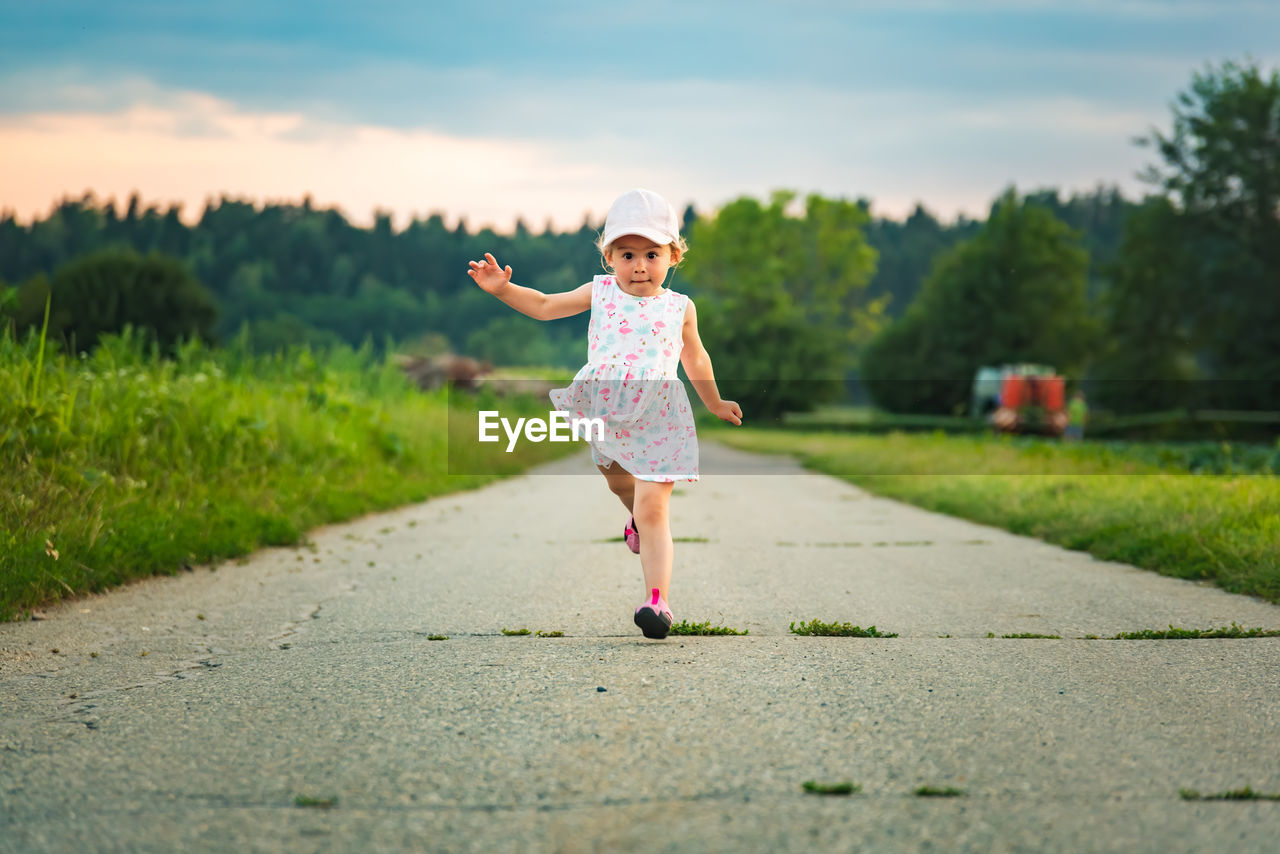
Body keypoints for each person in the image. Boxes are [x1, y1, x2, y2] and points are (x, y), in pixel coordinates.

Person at [467, 188, 742, 640]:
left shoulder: (680, 308)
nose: (639, 265)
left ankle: (658, 601)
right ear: (608, 257)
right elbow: (543, 305)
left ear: (673, 256)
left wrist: (713, 401)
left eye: (652, 254)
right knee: (620, 484)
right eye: (627, 254)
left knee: (654, 507)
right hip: (608, 411)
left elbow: (695, 358)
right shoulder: (599, 293)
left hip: (659, 414)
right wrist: (503, 289)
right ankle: (632, 518)